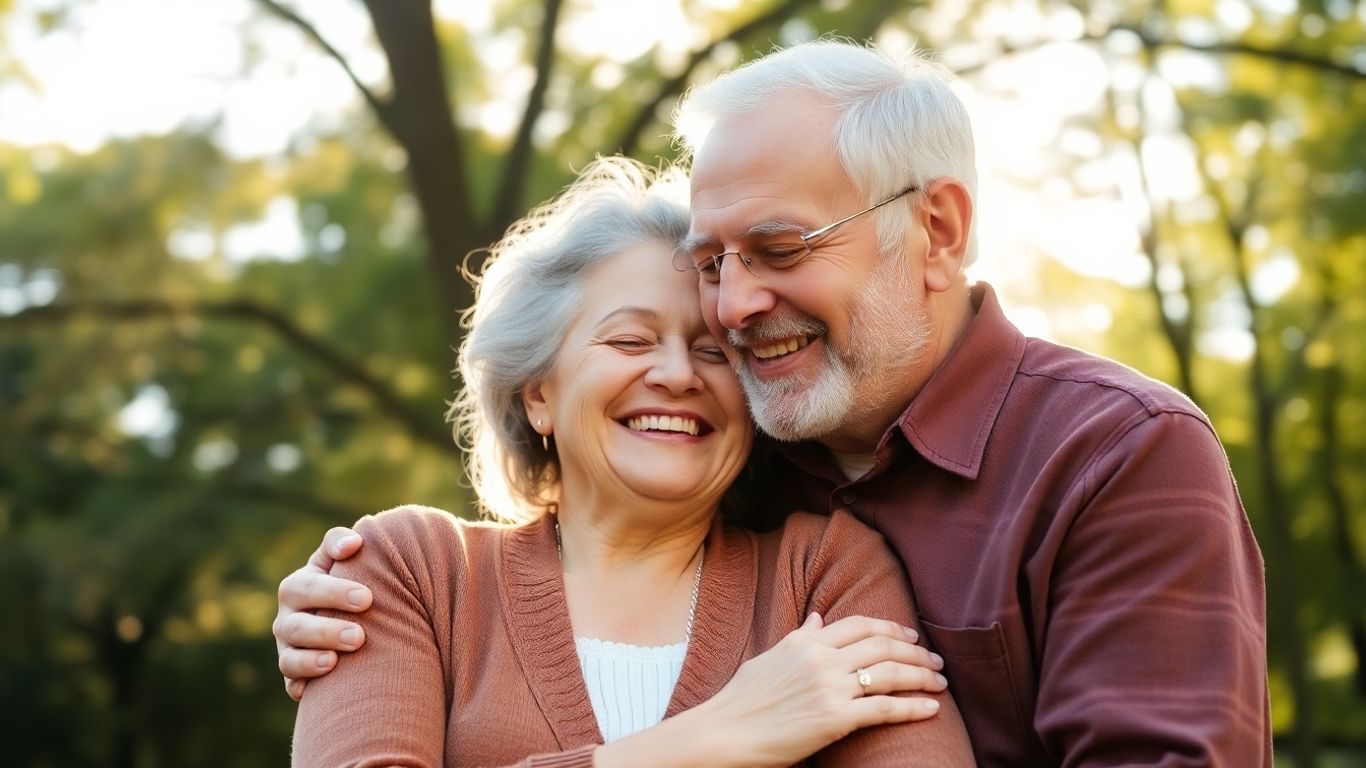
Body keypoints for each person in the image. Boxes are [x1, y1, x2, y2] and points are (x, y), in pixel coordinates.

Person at [279, 40, 1272, 766]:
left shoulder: (1108, 458)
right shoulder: (748, 452)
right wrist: (709, 740)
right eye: (714, 261)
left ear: (936, 229)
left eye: (779, 248)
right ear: (535, 390)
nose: (734, 308)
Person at [288, 156, 976, 767]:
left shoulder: (823, 574)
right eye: (629, 341)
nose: (677, 375)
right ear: (538, 394)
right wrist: (715, 739)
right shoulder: (414, 571)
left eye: (714, 352)